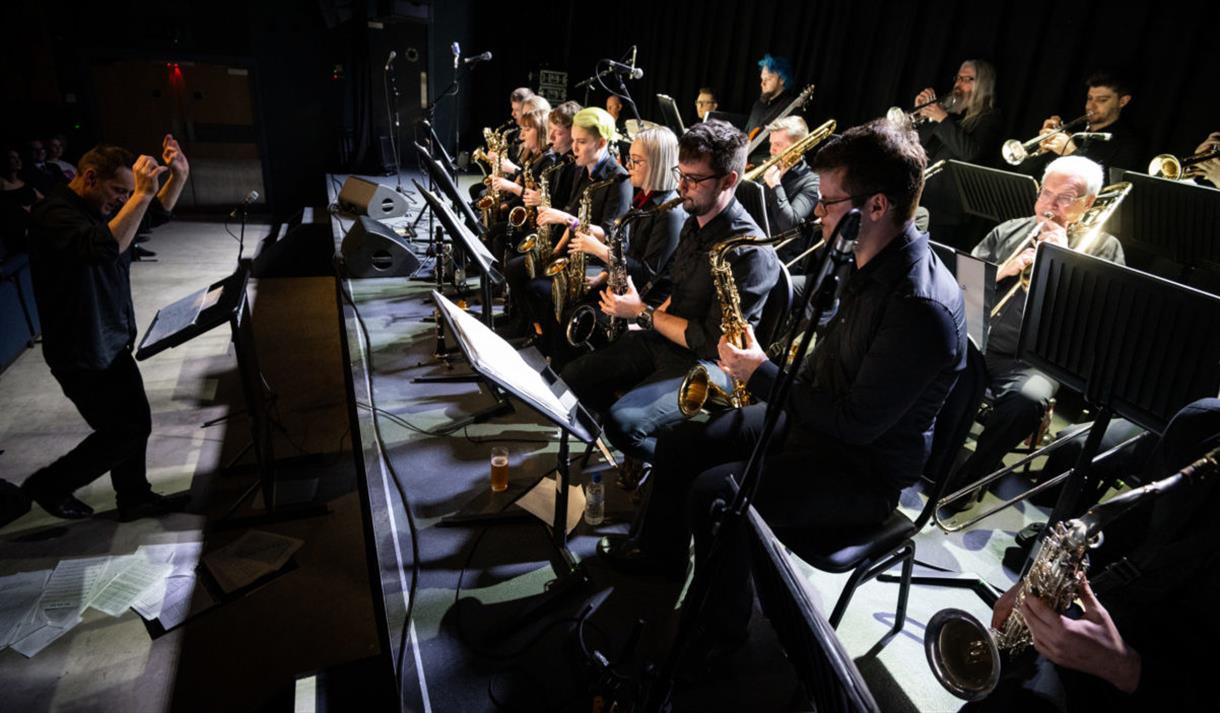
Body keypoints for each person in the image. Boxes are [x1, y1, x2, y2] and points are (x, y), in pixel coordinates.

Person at [598, 119, 967, 657]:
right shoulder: (864, 260)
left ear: (878, 206)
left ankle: (718, 635)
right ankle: (661, 555)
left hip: (857, 469)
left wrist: (761, 373)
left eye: (829, 201)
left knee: (718, 493)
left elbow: (854, 426)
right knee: (682, 443)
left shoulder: (919, 307)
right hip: (815, 424)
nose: (817, 211)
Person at [966, 397, 1220, 713]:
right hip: (1107, 631)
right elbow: (1131, 530)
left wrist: (1122, 667)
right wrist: (1040, 583)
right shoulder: (1204, 424)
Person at [559, 119, 779, 466]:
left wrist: (643, 313)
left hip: (709, 364)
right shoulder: (695, 221)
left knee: (623, 424)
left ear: (729, 181)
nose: (681, 186)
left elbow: (710, 342)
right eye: (681, 174)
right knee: (573, 377)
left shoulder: (749, 252)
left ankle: (681, 474)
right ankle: (643, 454)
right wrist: (641, 318)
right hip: (666, 338)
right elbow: (679, 290)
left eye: (694, 180)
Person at [21, 135, 191, 522]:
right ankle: (48, 485)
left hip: (110, 340)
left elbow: (149, 215)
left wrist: (178, 176)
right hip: (80, 350)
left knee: (134, 425)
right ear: (90, 177)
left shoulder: (97, 206)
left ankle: (135, 499)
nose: (122, 199)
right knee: (122, 432)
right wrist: (142, 195)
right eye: (118, 191)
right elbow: (102, 247)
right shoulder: (54, 215)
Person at [949, 156, 1125, 503]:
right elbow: (960, 284)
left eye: (1065, 198)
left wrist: (1065, 262)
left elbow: (1102, 319)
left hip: (1036, 360)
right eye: (1046, 193)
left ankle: (966, 484)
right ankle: (931, 458)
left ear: (1088, 203)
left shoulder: (1106, 248)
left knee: (1026, 402)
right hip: (979, 338)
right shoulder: (1011, 229)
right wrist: (1006, 269)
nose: (1050, 205)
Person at [500, 107, 630, 360]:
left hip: (592, 262)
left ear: (602, 142)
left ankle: (551, 347)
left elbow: (610, 235)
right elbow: (572, 212)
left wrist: (565, 219)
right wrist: (553, 251)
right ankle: (534, 329)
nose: (575, 148)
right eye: (575, 141)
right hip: (571, 251)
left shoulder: (620, 181)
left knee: (538, 287)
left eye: (582, 142)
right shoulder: (583, 170)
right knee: (516, 268)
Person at [913, 59, 1003, 247]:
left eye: (967, 79)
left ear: (982, 85)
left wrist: (942, 119)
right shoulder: (951, 115)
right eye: (958, 78)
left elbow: (971, 153)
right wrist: (922, 114)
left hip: (946, 213)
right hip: (921, 200)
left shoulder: (989, 118)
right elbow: (918, 147)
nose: (958, 84)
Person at [1033, 71, 1144, 174]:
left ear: (1122, 101)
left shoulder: (1128, 144)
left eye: (1102, 100)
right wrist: (1042, 149)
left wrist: (1071, 153)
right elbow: (1025, 173)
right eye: (1090, 98)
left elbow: (1109, 188)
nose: (1091, 106)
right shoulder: (1072, 131)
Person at [759, 115, 820, 263]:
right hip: (756, 246)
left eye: (778, 144)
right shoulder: (768, 171)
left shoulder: (812, 183)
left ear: (798, 146)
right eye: (771, 143)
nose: (772, 150)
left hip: (780, 257)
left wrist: (775, 186)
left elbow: (790, 226)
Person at [744, 54, 795, 163]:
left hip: (768, 164)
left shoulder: (792, 106)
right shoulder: (758, 105)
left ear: (782, 80)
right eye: (762, 79)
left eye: (768, 79)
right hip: (746, 161)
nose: (763, 83)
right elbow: (746, 134)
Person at [1, 144, 44, 253]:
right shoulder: (2, 185)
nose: (17, 160)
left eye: (18, 157)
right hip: (13, 235)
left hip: (34, 231)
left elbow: (44, 200)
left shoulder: (25, 182)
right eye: (12, 158)